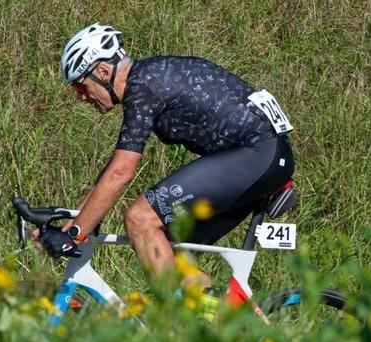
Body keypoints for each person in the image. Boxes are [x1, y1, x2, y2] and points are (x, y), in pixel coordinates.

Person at [38, 23, 295, 292]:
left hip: (257, 154)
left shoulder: (144, 86)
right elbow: (110, 173)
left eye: (81, 87)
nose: (82, 98)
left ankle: (171, 323)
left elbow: (121, 173)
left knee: (141, 219)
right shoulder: (150, 76)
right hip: (264, 158)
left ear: (103, 71)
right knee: (171, 252)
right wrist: (73, 224)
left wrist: (73, 236)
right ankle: (213, 325)